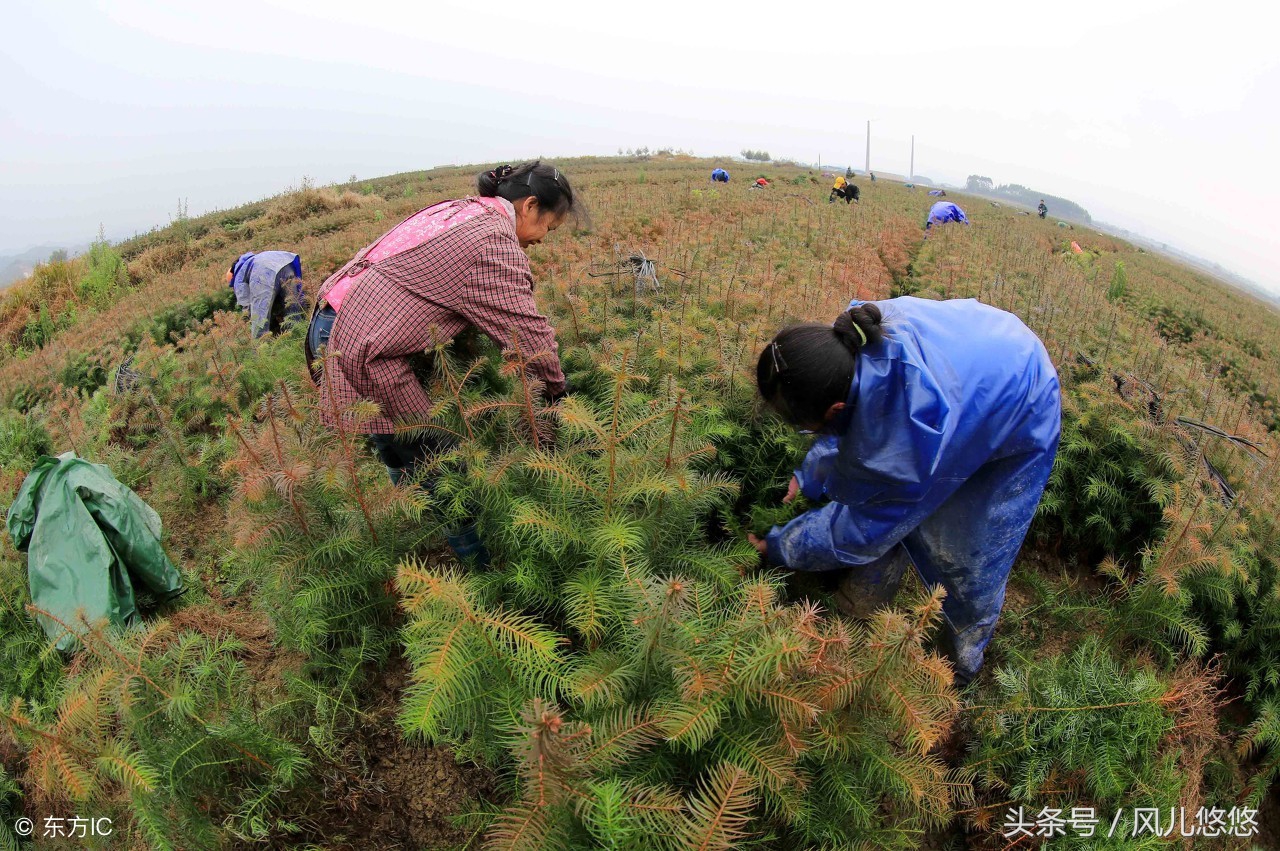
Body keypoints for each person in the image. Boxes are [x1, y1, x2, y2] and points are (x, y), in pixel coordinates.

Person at [747, 298, 1061, 685]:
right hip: (983, 347)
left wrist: (780, 545)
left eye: (805, 426)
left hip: (1021, 395)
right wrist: (810, 475)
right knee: (898, 496)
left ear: (833, 408)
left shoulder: (903, 441)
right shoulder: (854, 339)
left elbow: (863, 527)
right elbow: (850, 426)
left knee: (973, 546)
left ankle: (957, 661)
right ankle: (873, 585)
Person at [307, 161, 582, 562]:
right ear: (529, 206)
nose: (542, 239)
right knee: (444, 465)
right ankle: (482, 570)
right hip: (361, 340)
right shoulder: (493, 239)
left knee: (396, 443)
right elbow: (526, 330)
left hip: (331, 323)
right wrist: (558, 391)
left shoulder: (462, 209)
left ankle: (418, 514)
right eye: (548, 228)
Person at [226, 250, 304, 337]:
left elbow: (246, 303)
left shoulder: (239, 274)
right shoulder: (255, 259)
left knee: (259, 318)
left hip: (263, 274)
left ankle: (261, 348)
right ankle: (299, 336)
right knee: (293, 309)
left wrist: (248, 322)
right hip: (286, 265)